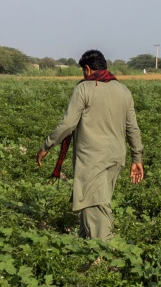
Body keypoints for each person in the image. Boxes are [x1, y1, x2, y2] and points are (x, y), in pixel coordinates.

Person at [37, 49, 145, 241]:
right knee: (95, 204)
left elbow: (68, 124)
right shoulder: (123, 91)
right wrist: (137, 158)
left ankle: (105, 255)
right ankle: (84, 249)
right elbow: (133, 128)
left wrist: (47, 145)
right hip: (115, 158)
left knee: (96, 207)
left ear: (87, 69)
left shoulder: (84, 89)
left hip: (92, 159)